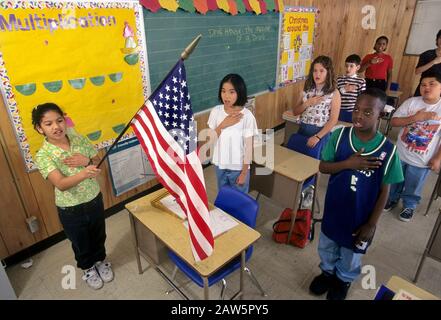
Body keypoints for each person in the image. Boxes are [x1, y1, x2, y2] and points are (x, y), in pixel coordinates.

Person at [309, 88, 404, 300]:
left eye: (368, 112)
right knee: (327, 245)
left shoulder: (388, 150)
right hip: (334, 209)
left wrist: (372, 224)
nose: (359, 115)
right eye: (356, 109)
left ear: (381, 114)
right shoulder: (339, 135)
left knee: (351, 255)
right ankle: (327, 273)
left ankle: (343, 280)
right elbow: (324, 167)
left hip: (360, 218)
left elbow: (384, 190)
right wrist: (348, 164)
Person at [32, 103, 113, 290]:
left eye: (59, 120)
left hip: (94, 199)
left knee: (99, 235)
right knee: (81, 242)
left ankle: (100, 261)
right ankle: (88, 268)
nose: (56, 127)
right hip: (71, 209)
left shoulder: (80, 140)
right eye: (48, 123)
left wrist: (87, 161)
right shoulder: (43, 155)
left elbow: (98, 163)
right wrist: (84, 172)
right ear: (39, 128)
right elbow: (60, 184)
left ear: (64, 120)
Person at [384, 72, 441, 222]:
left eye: (432, 84)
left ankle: (409, 204)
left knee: (414, 184)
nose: (426, 87)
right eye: (423, 84)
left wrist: (437, 158)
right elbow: (393, 122)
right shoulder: (411, 102)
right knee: (395, 179)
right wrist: (416, 118)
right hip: (401, 153)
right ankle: (392, 198)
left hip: (423, 160)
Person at [207, 74, 258, 193]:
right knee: (224, 200)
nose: (226, 96)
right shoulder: (216, 112)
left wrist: (244, 173)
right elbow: (210, 141)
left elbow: (249, 148)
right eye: (223, 91)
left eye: (231, 92)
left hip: (238, 169)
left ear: (239, 93)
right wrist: (223, 125)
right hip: (220, 166)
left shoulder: (247, 116)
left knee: (239, 203)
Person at [291, 55, 341, 152]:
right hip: (303, 129)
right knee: (298, 158)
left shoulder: (334, 93)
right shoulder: (306, 89)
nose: (317, 74)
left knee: (314, 161)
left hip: (320, 133)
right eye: (315, 70)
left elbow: (333, 120)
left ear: (328, 73)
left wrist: (317, 137)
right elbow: (295, 112)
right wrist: (307, 103)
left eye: (321, 71)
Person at [337, 54, 367, 123]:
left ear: (358, 67)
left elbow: (362, 98)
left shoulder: (361, 81)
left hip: (352, 111)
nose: (348, 68)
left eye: (351, 66)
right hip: (339, 110)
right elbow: (334, 96)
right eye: (346, 66)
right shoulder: (339, 79)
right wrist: (343, 90)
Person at [414, 30, 441, 97]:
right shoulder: (427, 54)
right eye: (440, 38)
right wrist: (433, 62)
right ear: (437, 40)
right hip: (425, 89)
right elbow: (417, 71)